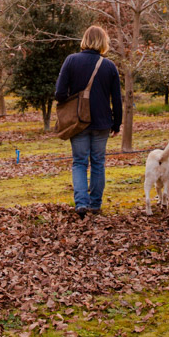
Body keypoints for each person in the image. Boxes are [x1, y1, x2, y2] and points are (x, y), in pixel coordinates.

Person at [54, 25, 122, 218]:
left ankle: (81, 203)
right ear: (103, 42)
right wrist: (116, 124)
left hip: (78, 122)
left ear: (84, 39)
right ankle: (95, 205)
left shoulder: (71, 61)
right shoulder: (109, 66)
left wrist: (72, 101)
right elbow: (116, 99)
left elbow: (59, 93)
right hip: (102, 123)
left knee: (79, 162)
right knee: (98, 162)